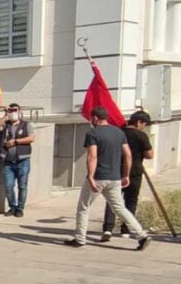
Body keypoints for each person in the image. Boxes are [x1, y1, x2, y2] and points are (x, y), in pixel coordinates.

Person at [64, 107, 152, 250]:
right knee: (120, 208)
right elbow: (128, 154)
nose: (91, 121)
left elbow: (92, 156)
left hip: (98, 177)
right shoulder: (118, 132)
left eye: (91, 118)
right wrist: (126, 175)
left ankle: (80, 239)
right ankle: (142, 236)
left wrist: (90, 176)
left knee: (83, 208)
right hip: (115, 178)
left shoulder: (93, 133)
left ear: (95, 118)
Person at [101, 111, 154, 241]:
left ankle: (108, 228)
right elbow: (149, 155)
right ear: (139, 122)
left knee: (112, 200)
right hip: (134, 172)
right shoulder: (141, 135)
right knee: (131, 200)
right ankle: (126, 229)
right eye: (144, 124)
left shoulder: (118, 133)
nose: (144, 127)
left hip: (115, 170)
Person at [0, 103, 35, 217]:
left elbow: (32, 138)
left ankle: (20, 208)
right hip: (8, 162)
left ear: (19, 111)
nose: (13, 112)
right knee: (9, 186)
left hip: (23, 161)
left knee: (22, 186)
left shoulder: (26, 124)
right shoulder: (6, 125)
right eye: (10, 110)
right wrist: (5, 116)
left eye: (15, 110)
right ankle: (12, 207)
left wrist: (16, 142)